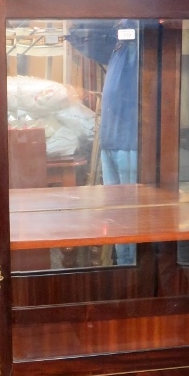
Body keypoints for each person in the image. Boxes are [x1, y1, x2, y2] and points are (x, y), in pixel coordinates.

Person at [67, 20, 139, 265]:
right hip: (111, 139)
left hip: (131, 141)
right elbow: (79, 35)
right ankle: (124, 268)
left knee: (129, 214)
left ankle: (131, 271)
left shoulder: (139, 43)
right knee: (116, 214)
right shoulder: (119, 44)